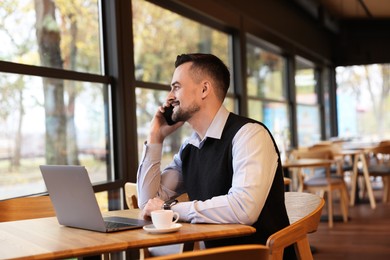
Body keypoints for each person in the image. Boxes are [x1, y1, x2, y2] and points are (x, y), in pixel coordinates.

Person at [137, 53, 295, 258]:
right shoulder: (189, 148)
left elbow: (243, 209)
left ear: (204, 89)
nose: (169, 97)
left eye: (176, 87)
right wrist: (155, 137)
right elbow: (148, 202)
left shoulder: (250, 134)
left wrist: (170, 208)